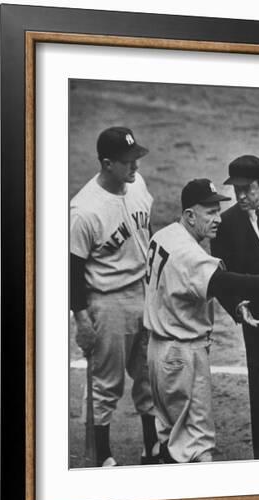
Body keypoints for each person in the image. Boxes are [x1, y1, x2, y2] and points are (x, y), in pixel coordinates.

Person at [143, 178, 259, 463]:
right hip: (182, 356)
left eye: (218, 210)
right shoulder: (190, 254)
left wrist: (236, 308)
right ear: (189, 216)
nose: (218, 219)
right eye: (209, 211)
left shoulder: (165, 235)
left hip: (158, 353)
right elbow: (222, 281)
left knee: (172, 436)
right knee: (197, 445)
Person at [70, 126, 159, 467]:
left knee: (149, 374)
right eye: (127, 161)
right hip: (106, 302)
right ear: (107, 164)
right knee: (106, 384)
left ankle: (151, 446)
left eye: (136, 157)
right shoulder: (83, 211)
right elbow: (71, 271)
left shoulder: (137, 184)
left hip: (143, 291)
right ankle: (103, 456)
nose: (135, 166)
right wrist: (81, 320)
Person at [210, 155, 259, 460]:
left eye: (247, 188)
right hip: (258, 322)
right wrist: (238, 307)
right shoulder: (226, 224)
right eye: (236, 188)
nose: (240, 195)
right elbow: (224, 278)